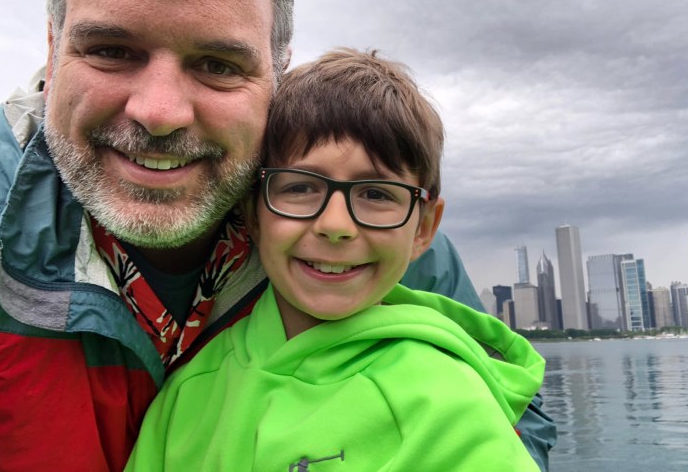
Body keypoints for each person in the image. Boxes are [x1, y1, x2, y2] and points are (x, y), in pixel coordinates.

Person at [0, 0, 554, 470]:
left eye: (217, 64)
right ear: (52, 48)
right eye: (111, 51)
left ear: (277, 72)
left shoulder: (368, 227)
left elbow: (514, 422)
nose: (159, 112)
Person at [127, 48, 544, 471]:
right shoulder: (186, 391)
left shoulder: (448, 403)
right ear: (252, 212)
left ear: (422, 228)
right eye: (299, 188)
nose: (335, 224)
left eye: (377, 194)